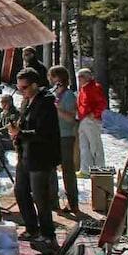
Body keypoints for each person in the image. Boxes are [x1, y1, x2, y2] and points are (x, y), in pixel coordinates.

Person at [8, 68, 61, 249]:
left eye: (24, 87)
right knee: (20, 191)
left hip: (41, 157)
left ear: (35, 85)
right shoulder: (27, 102)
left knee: (40, 197)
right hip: (25, 154)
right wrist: (17, 132)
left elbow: (43, 133)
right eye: (18, 87)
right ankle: (32, 228)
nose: (21, 91)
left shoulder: (46, 103)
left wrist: (20, 133)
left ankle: (48, 234)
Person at [49, 66, 79, 212]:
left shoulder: (68, 96)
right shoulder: (55, 95)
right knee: (51, 169)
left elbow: (71, 118)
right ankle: (53, 201)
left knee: (67, 170)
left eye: (53, 77)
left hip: (66, 136)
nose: (51, 80)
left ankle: (73, 202)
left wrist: (57, 108)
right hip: (53, 135)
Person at [76, 68, 107, 178]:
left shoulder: (95, 87)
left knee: (95, 145)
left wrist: (94, 114)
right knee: (84, 146)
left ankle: (100, 169)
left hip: (92, 120)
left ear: (89, 76)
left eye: (82, 76)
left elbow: (102, 103)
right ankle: (85, 170)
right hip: (83, 119)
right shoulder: (83, 89)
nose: (80, 79)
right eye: (79, 76)